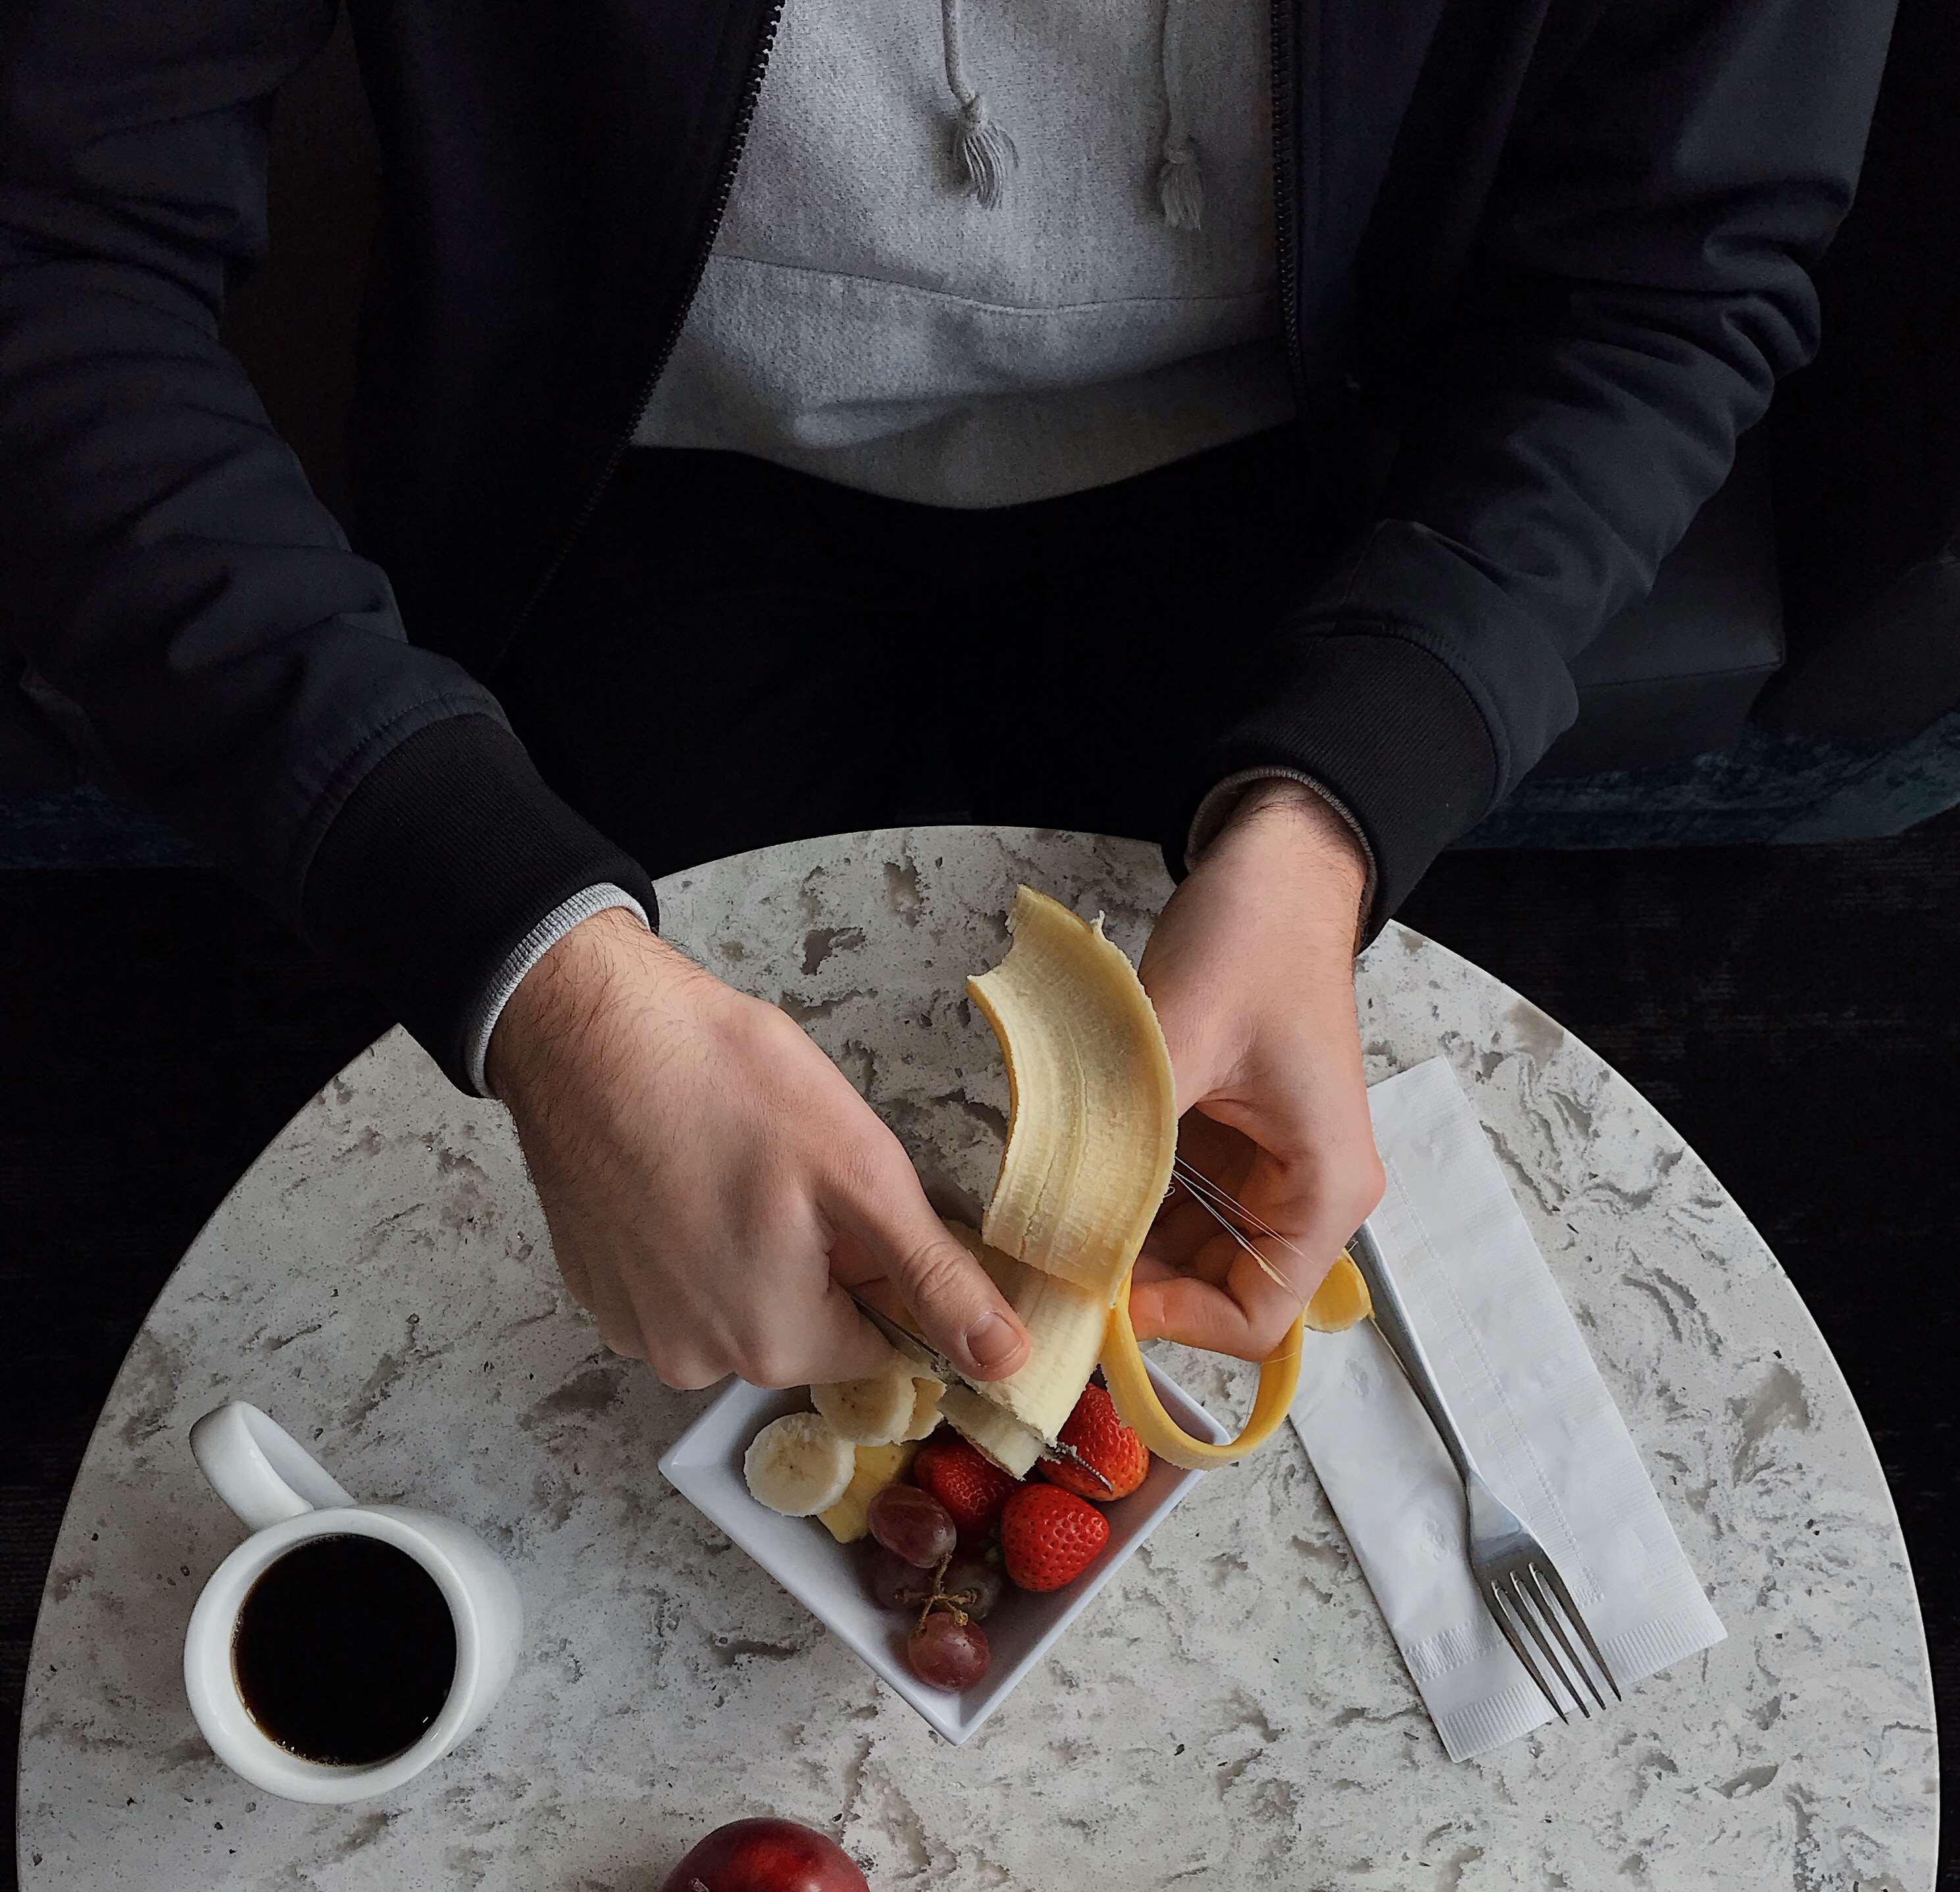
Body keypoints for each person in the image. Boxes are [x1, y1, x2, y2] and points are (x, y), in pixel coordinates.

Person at [0, 2, 1896, 1394]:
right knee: (592, 1348)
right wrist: (523, 956)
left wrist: (1341, 808)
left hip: (1313, 483)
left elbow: (1673, 271)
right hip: (616, 459)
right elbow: (49, 254)